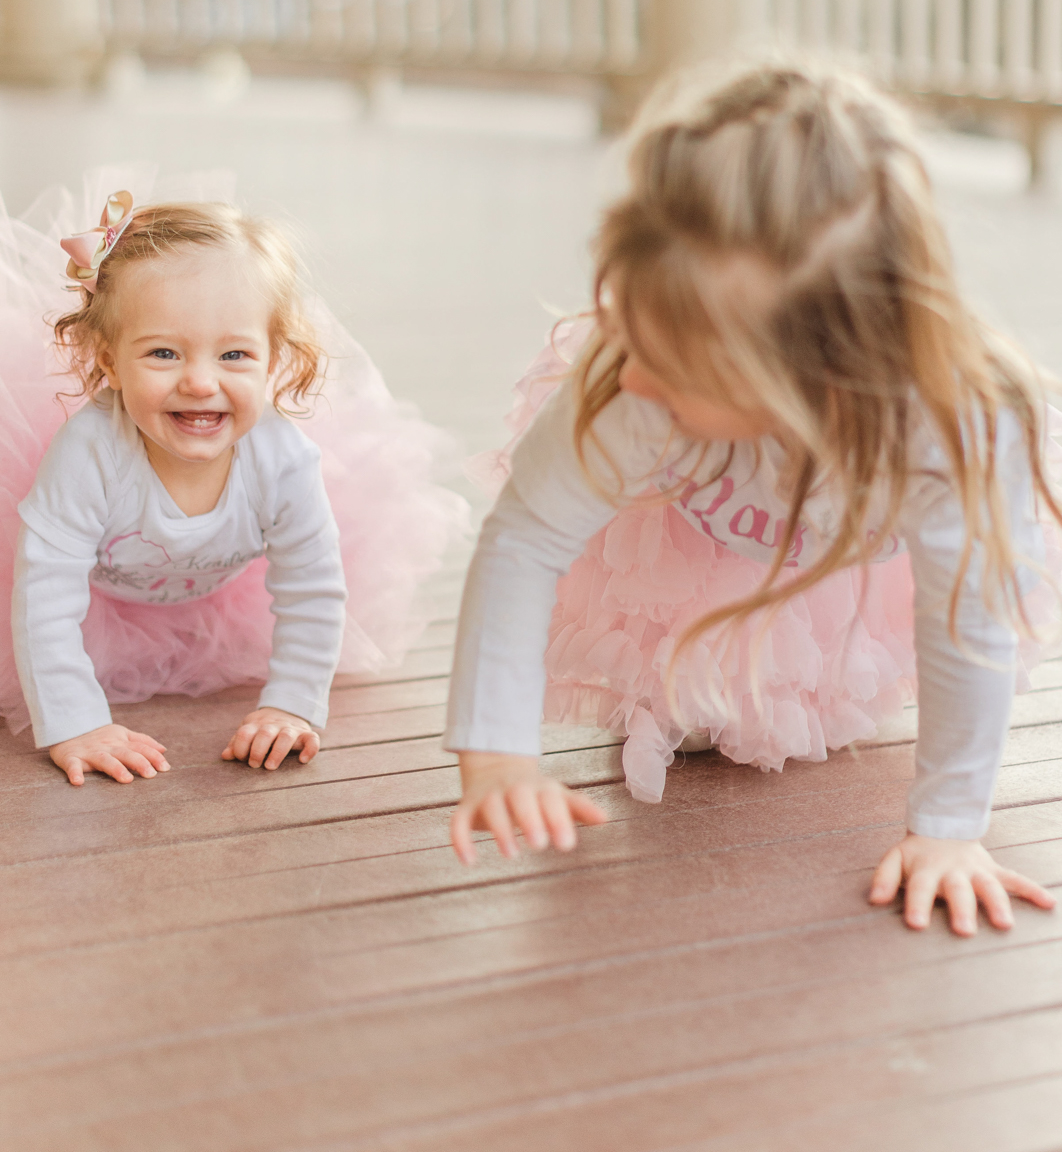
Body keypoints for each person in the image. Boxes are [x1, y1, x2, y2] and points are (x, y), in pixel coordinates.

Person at [445, 62, 1061, 937]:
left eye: (671, 362)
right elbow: (525, 540)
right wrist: (496, 748)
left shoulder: (948, 435)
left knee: (836, 679)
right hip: (689, 542)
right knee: (696, 723)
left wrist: (949, 831)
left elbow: (966, 618)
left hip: (849, 553)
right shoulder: (637, 382)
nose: (633, 370)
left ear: (805, 385)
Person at [0, 181, 465, 785]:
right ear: (109, 361)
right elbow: (47, 595)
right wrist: (76, 721)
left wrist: (293, 702)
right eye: (163, 353)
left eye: (235, 356)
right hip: (100, 599)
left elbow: (312, 588)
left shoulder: (282, 460)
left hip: (214, 593)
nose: (199, 381)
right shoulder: (89, 454)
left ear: (275, 359)